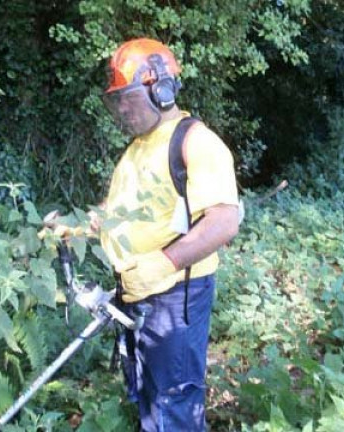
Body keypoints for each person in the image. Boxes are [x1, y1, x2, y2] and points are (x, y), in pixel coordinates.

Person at [98, 38, 241, 431]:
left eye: (128, 98)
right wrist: (81, 226)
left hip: (175, 295)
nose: (123, 109)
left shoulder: (196, 142)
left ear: (160, 88)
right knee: (148, 397)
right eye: (118, 100)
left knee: (173, 403)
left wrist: (163, 263)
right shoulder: (138, 149)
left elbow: (224, 220)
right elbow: (125, 212)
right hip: (137, 293)